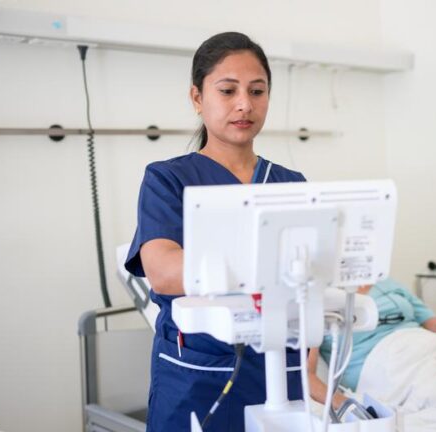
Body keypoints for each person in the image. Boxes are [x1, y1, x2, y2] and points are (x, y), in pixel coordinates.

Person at [124, 32, 306, 432]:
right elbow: (164, 273)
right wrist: (271, 262)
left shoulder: (290, 183)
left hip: (281, 371)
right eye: (228, 90)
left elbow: (310, 282)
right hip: (198, 376)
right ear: (197, 98)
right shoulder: (168, 179)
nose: (245, 104)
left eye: (257, 91)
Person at [307, 278, 436, 414]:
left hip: (430, 347)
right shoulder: (318, 300)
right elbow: (307, 376)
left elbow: (432, 320)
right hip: (386, 365)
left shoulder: (388, 284)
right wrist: (351, 407)